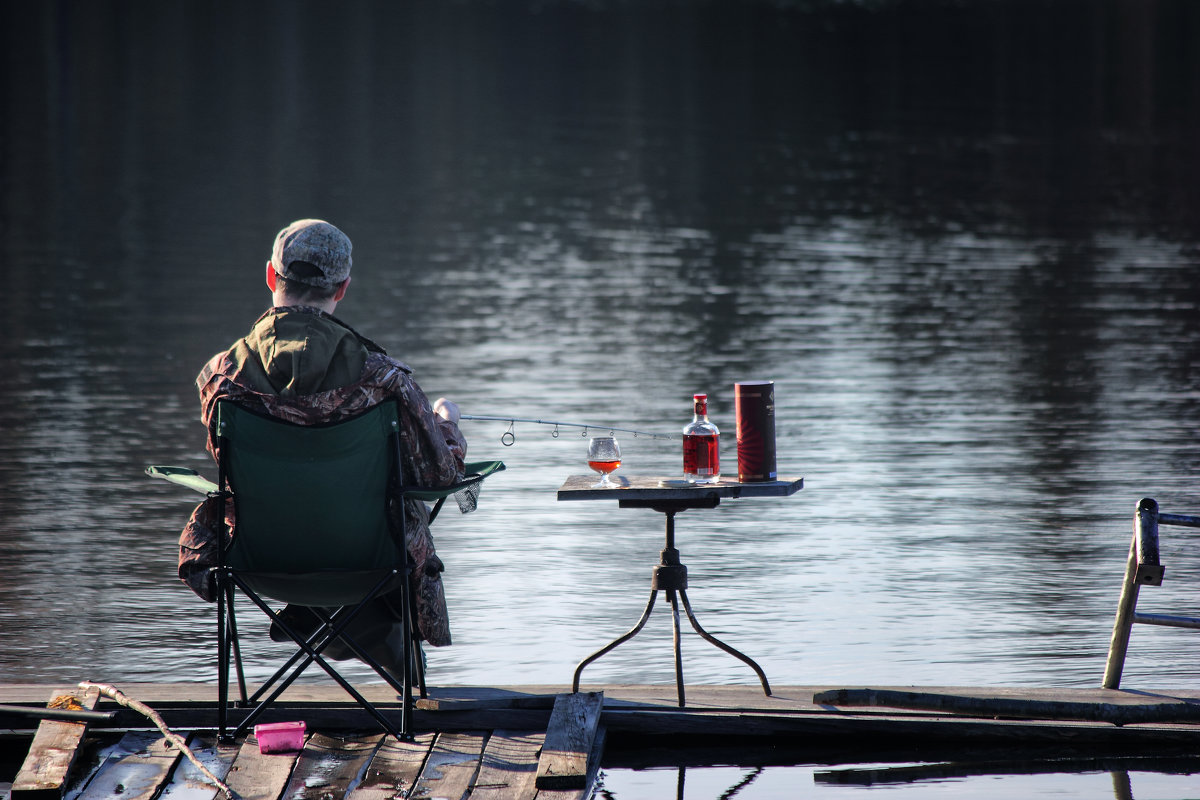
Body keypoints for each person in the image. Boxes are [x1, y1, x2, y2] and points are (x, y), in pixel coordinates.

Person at [177, 218, 467, 676]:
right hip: (371, 560)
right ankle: (361, 624)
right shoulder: (384, 378)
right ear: (344, 288)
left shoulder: (220, 377)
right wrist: (447, 425)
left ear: (272, 277)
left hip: (260, 558)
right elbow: (439, 477)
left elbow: (230, 463)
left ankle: (330, 622)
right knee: (403, 504)